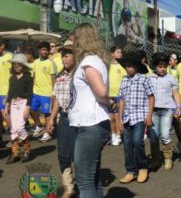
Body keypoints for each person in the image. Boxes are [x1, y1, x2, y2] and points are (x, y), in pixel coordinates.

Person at [69, 23, 113, 197]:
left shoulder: (88, 63)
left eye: (74, 39)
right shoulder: (96, 60)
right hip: (94, 124)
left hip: (90, 125)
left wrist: (110, 102)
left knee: (85, 181)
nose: (72, 43)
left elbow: (101, 92)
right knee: (93, 179)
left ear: (81, 39)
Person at [118, 52, 155, 184]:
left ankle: (142, 167)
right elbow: (121, 99)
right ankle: (130, 171)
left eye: (130, 65)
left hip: (140, 115)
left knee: (137, 142)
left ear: (137, 67)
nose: (127, 67)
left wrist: (149, 115)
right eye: (126, 65)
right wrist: (120, 118)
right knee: (127, 145)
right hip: (127, 116)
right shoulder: (124, 79)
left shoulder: (144, 79)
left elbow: (151, 97)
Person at [46, 41, 77, 197]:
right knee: (63, 154)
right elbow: (57, 99)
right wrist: (51, 118)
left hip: (79, 119)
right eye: (62, 56)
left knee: (77, 154)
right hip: (64, 118)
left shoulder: (82, 75)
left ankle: (85, 183)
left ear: (75, 56)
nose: (64, 59)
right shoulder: (60, 76)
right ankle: (68, 187)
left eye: (67, 56)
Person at [148, 53, 181, 170]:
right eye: (159, 66)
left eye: (164, 66)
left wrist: (178, 107)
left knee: (165, 135)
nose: (162, 69)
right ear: (155, 67)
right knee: (153, 136)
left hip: (167, 110)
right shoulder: (149, 78)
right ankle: (156, 159)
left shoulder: (171, 79)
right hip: (153, 111)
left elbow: (175, 94)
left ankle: (168, 158)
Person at [4, 54, 33, 163]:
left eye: (19, 64)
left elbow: (30, 94)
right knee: (13, 129)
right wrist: (6, 107)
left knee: (20, 127)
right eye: (15, 64)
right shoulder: (12, 79)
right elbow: (10, 93)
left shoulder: (27, 78)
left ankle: (27, 150)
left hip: (23, 103)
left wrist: (27, 107)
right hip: (13, 103)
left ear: (23, 66)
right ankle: (15, 153)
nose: (16, 66)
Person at [31, 41, 56, 142]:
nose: (45, 52)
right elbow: (34, 77)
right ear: (39, 50)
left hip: (47, 93)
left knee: (46, 113)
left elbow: (54, 79)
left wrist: (53, 94)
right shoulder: (35, 62)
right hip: (36, 92)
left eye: (47, 50)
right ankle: (38, 126)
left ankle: (47, 133)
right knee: (31, 110)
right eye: (43, 50)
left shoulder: (51, 63)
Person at [108, 46, 126, 146]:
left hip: (119, 95)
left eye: (121, 52)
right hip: (110, 95)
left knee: (118, 116)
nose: (120, 54)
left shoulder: (122, 66)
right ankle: (113, 134)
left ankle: (119, 135)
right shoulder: (108, 66)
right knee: (111, 117)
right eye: (118, 52)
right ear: (112, 54)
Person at [0, 38, 13, 146]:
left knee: (5, 115)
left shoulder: (9, 57)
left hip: (5, 92)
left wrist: (10, 92)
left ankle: (16, 137)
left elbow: (13, 75)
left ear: (2, 46)